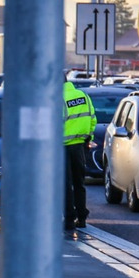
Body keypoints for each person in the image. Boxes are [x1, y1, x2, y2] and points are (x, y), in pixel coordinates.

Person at [63, 80, 97, 230]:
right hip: (80, 146)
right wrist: (88, 138)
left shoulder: (58, 98)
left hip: (63, 147)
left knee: (65, 184)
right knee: (79, 183)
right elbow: (92, 119)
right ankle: (82, 217)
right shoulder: (83, 95)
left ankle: (69, 219)